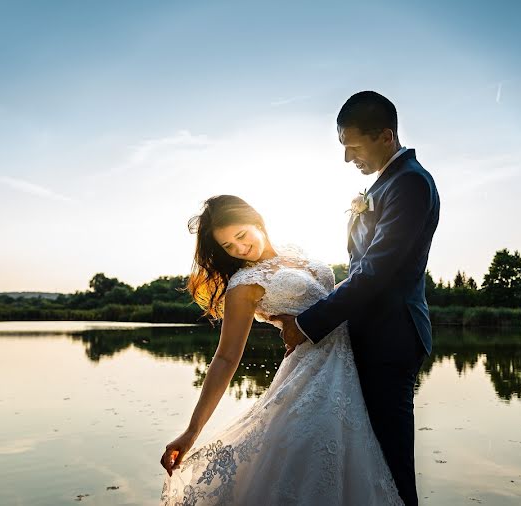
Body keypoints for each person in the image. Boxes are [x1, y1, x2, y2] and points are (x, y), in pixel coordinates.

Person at [159, 195, 403, 505]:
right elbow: (225, 358)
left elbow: (341, 293)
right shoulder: (244, 284)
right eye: (228, 247)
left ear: (257, 221)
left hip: (356, 364)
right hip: (313, 378)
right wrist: (192, 431)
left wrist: (306, 321)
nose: (239, 249)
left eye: (241, 236)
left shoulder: (295, 251)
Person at [275, 91, 440, 506]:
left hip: (390, 338)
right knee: (368, 459)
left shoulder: (410, 184)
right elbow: (358, 266)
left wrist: (309, 323)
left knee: (390, 459)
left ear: (385, 136)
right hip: (367, 335)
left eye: (352, 146)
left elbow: (374, 272)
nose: (348, 159)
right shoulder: (387, 183)